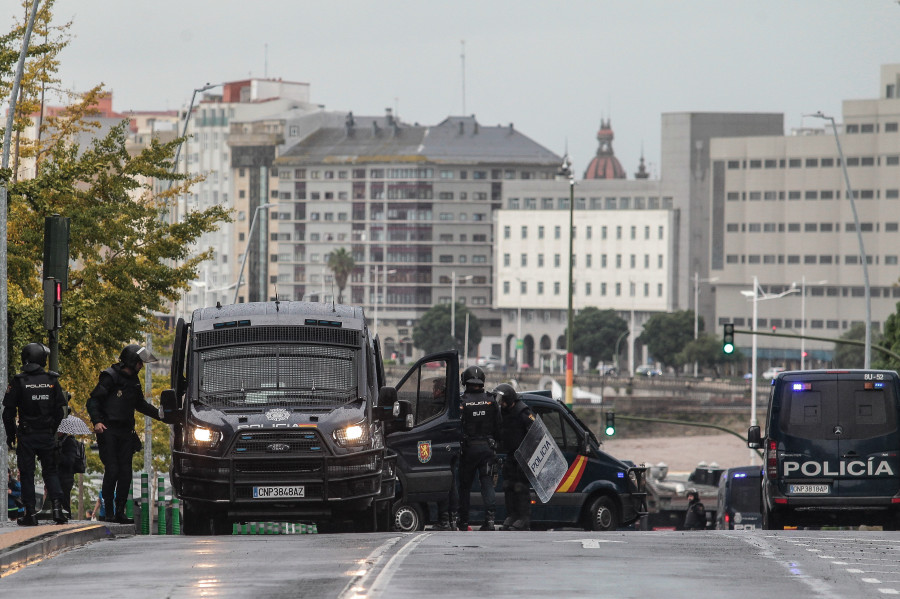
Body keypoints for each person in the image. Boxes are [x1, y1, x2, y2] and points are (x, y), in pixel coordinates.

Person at [87, 344, 162, 524]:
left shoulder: (134, 381)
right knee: (112, 470)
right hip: (108, 430)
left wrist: (161, 414)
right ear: (131, 361)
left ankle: (120, 511)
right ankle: (109, 511)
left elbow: (140, 404)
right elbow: (93, 401)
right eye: (139, 363)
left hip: (126, 431)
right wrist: (97, 421)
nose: (141, 366)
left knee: (126, 473)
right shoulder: (110, 377)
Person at [2, 342, 70, 526]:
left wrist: (11, 435)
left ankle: (30, 513)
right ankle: (58, 508)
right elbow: (60, 411)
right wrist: (52, 429)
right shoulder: (51, 380)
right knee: (51, 471)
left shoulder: (19, 381)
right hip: (46, 434)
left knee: (27, 474)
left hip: (27, 435)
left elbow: (7, 413)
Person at [456, 366, 501, 532]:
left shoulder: (462, 401)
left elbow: (457, 427)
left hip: (468, 450)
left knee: (465, 487)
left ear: (465, 381)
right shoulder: (491, 400)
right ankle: (489, 521)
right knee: (487, 484)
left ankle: (463, 521)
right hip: (487, 449)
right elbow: (498, 426)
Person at [494, 383, 535, 531]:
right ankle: (512, 515)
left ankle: (523, 518)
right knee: (508, 486)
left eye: (502, 400)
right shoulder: (504, 412)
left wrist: (528, 454)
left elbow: (535, 433)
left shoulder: (523, 411)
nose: (501, 403)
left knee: (520, 487)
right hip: (511, 455)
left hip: (523, 456)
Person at [429, 377, 459, 531]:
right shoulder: (453, 406)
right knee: (452, 485)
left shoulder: (438, 407)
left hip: (441, 450)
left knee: (444, 485)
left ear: (440, 390)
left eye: (435, 389)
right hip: (453, 449)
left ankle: (444, 520)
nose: (433, 392)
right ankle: (453, 519)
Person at [55, 431, 81, 517]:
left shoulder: (69, 442)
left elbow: (70, 461)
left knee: (64, 500)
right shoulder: (57, 441)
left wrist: (58, 455)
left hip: (66, 477)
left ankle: (67, 517)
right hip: (58, 475)